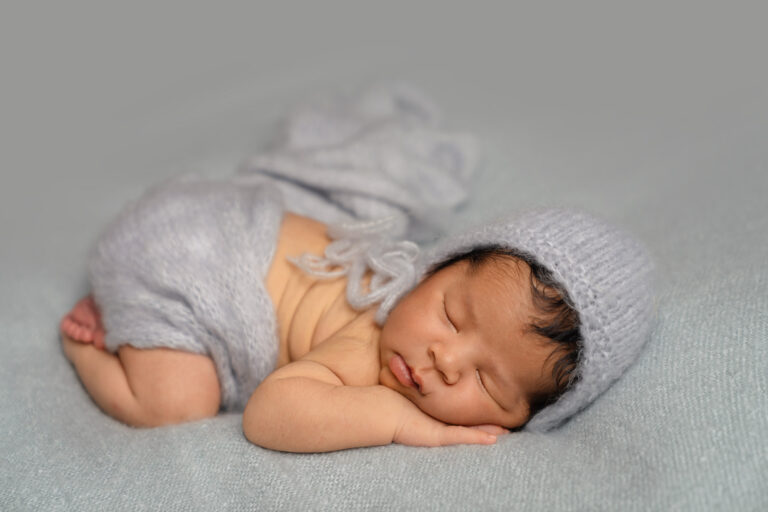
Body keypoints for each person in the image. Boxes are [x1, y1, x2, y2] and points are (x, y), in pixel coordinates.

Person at [60, 177, 655, 453]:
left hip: (211, 217)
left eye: (487, 381)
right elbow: (269, 414)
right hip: (191, 263)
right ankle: (89, 338)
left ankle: (129, 307)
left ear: (523, 420)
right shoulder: (371, 335)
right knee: (176, 407)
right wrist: (400, 421)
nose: (444, 360)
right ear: (434, 269)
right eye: (451, 315)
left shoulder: (422, 326)